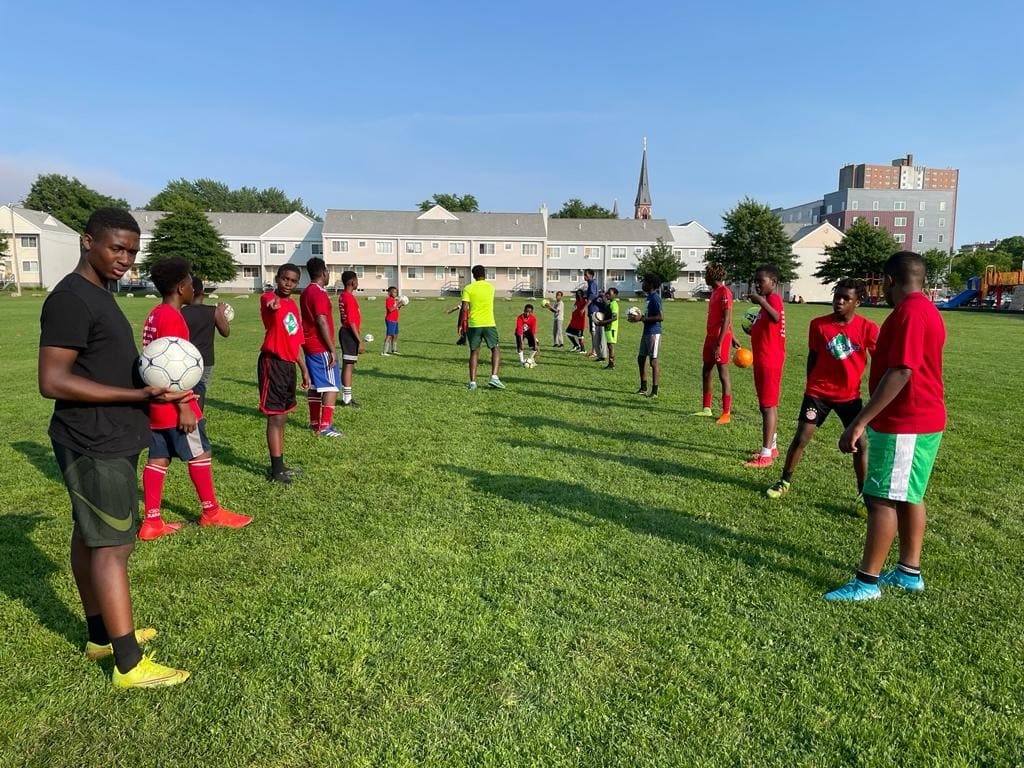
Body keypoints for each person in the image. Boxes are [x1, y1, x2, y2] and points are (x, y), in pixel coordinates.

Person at [39, 207, 189, 687]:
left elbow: (100, 363)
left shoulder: (99, 293)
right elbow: (52, 380)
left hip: (110, 434)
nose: (125, 258)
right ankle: (128, 664)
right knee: (113, 546)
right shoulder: (71, 299)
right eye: (116, 248)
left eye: (132, 251)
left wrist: (151, 388)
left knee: (90, 536)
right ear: (88, 242)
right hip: (93, 438)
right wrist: (137, 395)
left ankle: (101, 638)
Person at [825, 252, 947, 601]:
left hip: (905, 422)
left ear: (889, 280)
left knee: (880, 498)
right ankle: (909, 573)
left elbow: (902, 371)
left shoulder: (910, 313)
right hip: (918, 420)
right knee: (909, 496)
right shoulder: (926, 309)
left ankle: (867, 583)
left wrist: (858, 422)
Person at [139, 257, 252, 540]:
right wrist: (185, 407)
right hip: (175, 405)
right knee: (201, 452)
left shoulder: (154, 314)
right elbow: (174, 372)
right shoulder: (173, 319)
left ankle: (152, 521)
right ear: (181, 288)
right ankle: (211, 513)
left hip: (155, 404)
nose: (194, 287)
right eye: (190, 282)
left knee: (158, 457)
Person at [766, 279, 879, 500]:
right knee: (801, 437)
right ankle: (784, 481)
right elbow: (813, 356)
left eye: (846, 298)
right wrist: (811, 386)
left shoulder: (868, 328)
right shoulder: (818, 325)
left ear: (857, 302)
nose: (839, 302)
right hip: (818, 394)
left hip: (850, 396)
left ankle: (863, 493)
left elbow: (880, 361)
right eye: (837, 297)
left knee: (861, 443)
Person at [260, 263, 312, 484]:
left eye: (293, 281)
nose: (288, 283)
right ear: (277, 278)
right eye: (284, 279)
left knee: (283, 416)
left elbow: (295, 341)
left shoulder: (292, 306)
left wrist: (304, 369)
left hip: (288, 366)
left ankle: (281, 465)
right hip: (273, 363)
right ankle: (276, 470)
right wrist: (273, 306)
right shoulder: (268, 298)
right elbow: (269, 305)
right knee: (275, 417)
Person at [743, 265, 786, 468]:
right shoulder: (766, 304)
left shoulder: (773, 299)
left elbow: (776, 317)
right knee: (767, 405)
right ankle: (773, 447)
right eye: (755, 281)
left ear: (774, 283)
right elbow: (768, 327)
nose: (757, 285)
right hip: (763, 359)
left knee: (768, 406)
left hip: (770, 361)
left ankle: (766, 455)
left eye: (761, 281)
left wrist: (760, 301)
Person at [300, 257, 342, 438]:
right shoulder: (318, 293)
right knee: (331, 386)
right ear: (324, 273)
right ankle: (325, 426)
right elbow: (321, 320)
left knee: (316, 385)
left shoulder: (305, 292)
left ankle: (314, 423)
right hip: (320, 345)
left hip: (309, 344)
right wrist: (332, 349)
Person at [692, 264, 735, 424]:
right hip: (710, 337)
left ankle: (726, 412)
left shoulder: (725, 292)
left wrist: (720, 343)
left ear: (712, 276)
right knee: (706, 370)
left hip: (720, 339)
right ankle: (707, 408)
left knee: (723, 373)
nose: (705, 277)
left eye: (706, 275)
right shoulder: (715, 292)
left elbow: (727, 318)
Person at [181, 277, 230, 412]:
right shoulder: (213, 311)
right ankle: (198, 417)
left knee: (185, 389)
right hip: (206, 360)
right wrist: (221, 312)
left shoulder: (181, 312)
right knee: (200, 388)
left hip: (186, 358)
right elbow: (226, 332)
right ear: (203, 292)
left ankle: (187, 415)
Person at [460, 264, 505, 390]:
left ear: (473, 276)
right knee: (495, 348)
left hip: (474, 324)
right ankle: (494, 377)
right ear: (485, 274)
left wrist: (462, 324)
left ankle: (473, 382)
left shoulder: (468, 288)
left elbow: (464, 308)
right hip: (489, 323)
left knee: (474, 351)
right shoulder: (491, 288)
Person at [630, 274, 663, 398]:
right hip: (647, 331)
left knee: (653, 361)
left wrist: (642, 318)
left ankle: (654, 391)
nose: (642, 284)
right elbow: (648, 316)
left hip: (654, 333)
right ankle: (643, 388)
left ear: (651, 284)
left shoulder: (655, 298)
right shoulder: (649, 297)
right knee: (641, 358)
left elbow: (660, 317)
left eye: (644, 282)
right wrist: (637, 317)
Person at [337, 270, 365, 408]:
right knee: (349, 366)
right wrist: (359, 341)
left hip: (345, 332)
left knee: (348, 364)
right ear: (353, 282)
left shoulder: (342, 295)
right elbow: (352, 321)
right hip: (349, 333)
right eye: (357, 280)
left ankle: (346, 397)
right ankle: (347, 399)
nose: (357, 283)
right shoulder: (349, 298)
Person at [597, 287, 620, 369]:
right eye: (607, 293)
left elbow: (614, 318)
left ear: (615, 295)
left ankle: (611, 364)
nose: (607, 295)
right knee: (609, 345)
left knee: (611, 346)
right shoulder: (610, 303)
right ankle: (610, 363)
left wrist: (603, 322)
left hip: (611, 328)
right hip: (608, 327)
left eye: (609, 294)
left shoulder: (614, 304)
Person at [584, 268, 603, 358]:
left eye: (586, 275)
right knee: (592, 331)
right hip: (592, 310)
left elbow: (592, 296)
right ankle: (594, 350)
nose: (584, 276)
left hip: (594, 310)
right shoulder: (590, 284)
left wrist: (584, 307)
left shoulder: (592, 283)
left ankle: (595, 351)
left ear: (591, 275)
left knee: (593, 331)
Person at [383, 285, 401, 356]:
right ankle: (384, 352)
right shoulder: (389, 299)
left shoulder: (394, 300)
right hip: (390, 320)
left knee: (395, 335)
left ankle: (394, 350)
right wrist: (397, 305)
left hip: (395, 320)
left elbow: (396, 309)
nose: (395, 294)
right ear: (389, 293)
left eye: (396, 292)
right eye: (394, 292)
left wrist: (400, 305)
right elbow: (390, 309)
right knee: (389, 335)